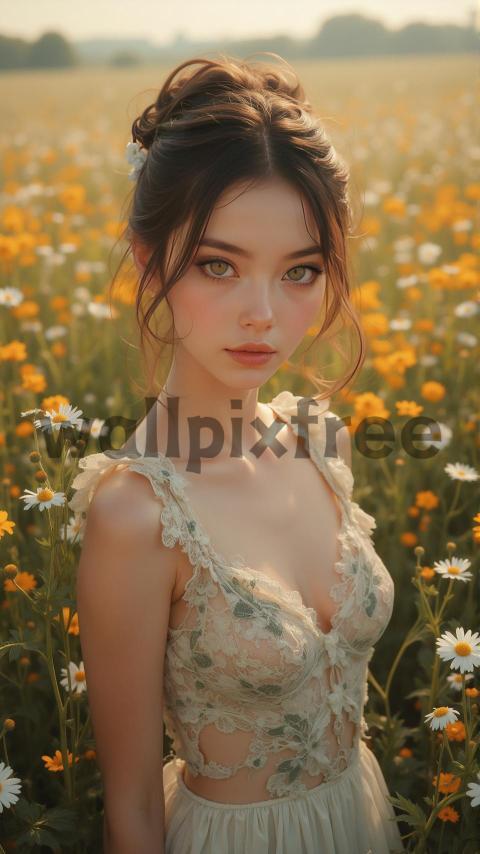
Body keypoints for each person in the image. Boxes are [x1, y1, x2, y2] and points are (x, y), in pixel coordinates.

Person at [72, 53, 405, 853]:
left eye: (301, 272)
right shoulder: (136, 513)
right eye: (218, 266)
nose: (263, 315)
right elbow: (132, 814)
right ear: (151, 261)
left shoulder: (322, 442)